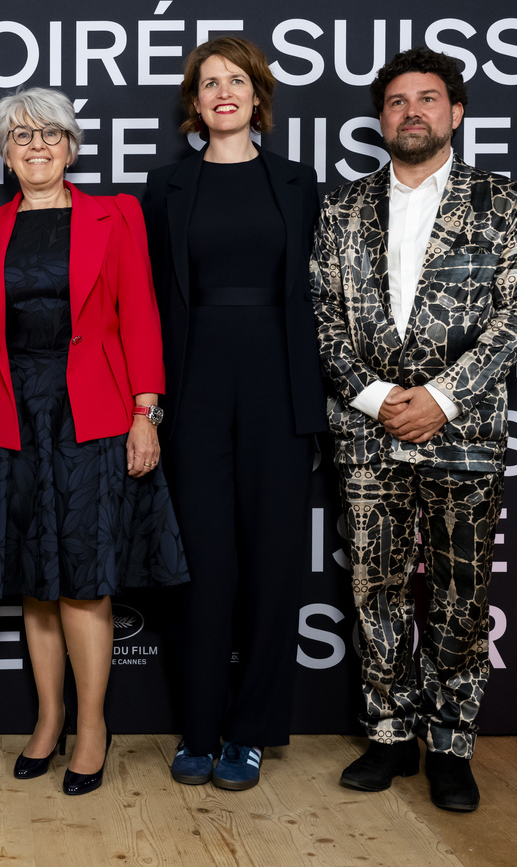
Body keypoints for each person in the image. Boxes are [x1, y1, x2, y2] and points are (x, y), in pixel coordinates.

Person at [310, 46, 517, 812]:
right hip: (369, 430)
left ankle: (449, 743)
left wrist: (443, 395)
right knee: (375, 586)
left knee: (458, 594)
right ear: (381, 120)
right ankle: (386, 731)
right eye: (397, 101)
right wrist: (378, 396)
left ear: (456, 112)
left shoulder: (499, 199)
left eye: (428, 98)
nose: (412, 111)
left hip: (465, 429)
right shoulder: (344, 207)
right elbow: (322, 316)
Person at [0, 87, 186, 797]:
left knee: (85, 581)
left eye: (51, 133)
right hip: (9, 412)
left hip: (95, 411)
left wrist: (147, 410)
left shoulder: (117, 215)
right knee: (35, 580)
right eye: (21, 136)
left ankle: (91, 726)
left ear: (73, 146)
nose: (37, 145)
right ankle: (47, 720)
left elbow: (140, 311)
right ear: (4, 151)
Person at [140, 36, 327, 791]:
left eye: (236, 80)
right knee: (203, 567)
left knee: (274, 566)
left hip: (280, 392)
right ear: (194, 101)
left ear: (258, 96)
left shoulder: (297, 181)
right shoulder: (166, 186)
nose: (223, 91)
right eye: (209, 82)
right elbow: (149, 303)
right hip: (193, 393)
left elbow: (318, 300)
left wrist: (313, 403)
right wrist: (149, 404)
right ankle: (199, 728)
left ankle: (250, 733)